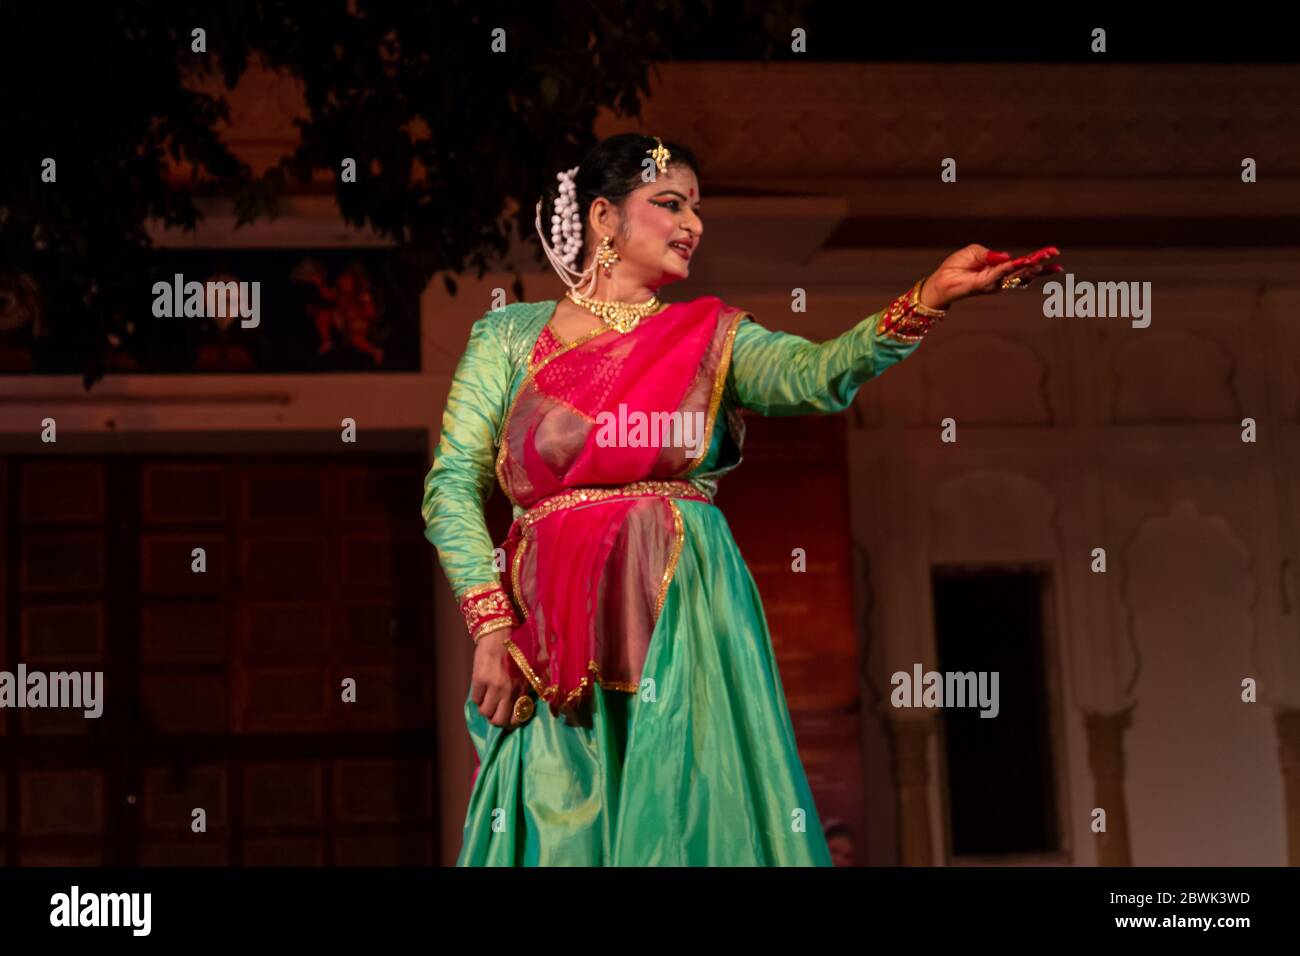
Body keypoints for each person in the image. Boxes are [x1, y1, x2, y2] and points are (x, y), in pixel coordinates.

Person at [421, 133, 1060, 866]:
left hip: (683, 610)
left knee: (687, 815)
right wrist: (490, 625)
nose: (693, 224)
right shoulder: (508, 338)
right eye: (669, 204)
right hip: (547, 621)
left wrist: (929, 298)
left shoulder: (711, 336)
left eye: (696, 208)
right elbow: (451, 489)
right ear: (603, 216)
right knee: (557, 822)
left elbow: (820, 373)